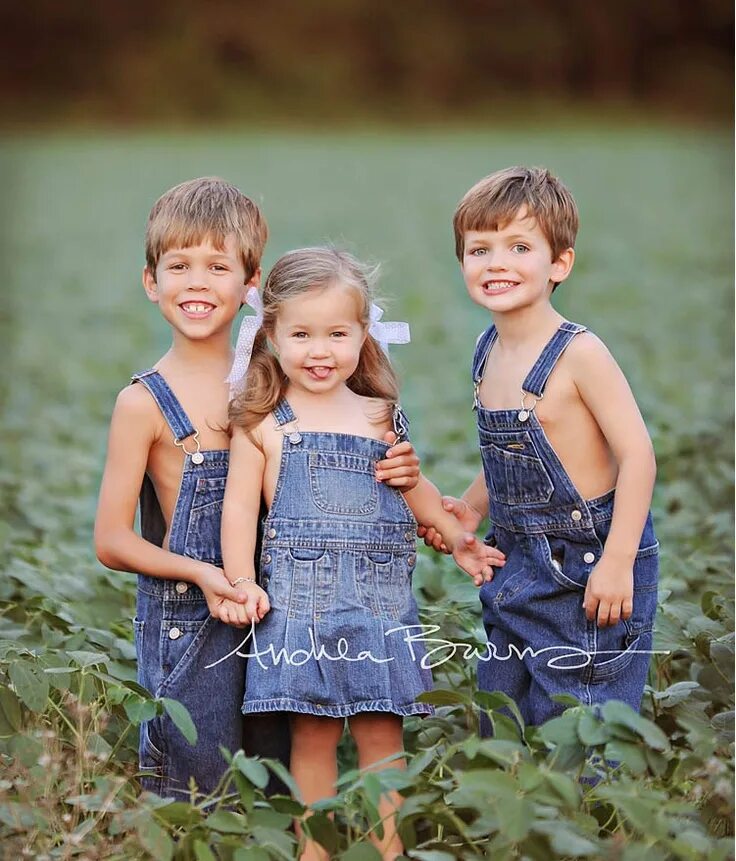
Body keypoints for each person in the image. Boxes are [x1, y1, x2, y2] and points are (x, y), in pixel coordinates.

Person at [94, 178, 421, 800]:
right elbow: (111, 540)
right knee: (199, 789)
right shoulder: (143, 403)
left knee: (276, 778)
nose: (196, 283)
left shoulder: (290, 380)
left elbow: (352, 458)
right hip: (195, 621)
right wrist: (205, 575)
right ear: (150, 281)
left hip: (285, 612)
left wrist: (403, 476)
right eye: (179, 266)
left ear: (251, 285)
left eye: (217, 266)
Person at [220, 247, 506, 861]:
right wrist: (241, 581)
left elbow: (415, 493)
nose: (319, 351)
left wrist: (458, 539)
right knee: (314, 735)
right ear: (270, 333)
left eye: (336, 334)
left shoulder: (380, 415)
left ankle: (389, 848)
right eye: (300, 334)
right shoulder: (265, 423)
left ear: (362, 335)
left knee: (383, 733)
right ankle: (314, 851)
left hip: (380, 605)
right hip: (300, 607)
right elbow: (241, 510)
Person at [423, 166, 659, 731]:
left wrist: (618, 561)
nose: (496, 263)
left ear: (560, 264)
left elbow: (639, 457)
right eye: (479, 249)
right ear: (462, 264)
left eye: (519, 247)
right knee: (502, 712)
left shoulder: (579, 354)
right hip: (519, 561)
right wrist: (471, 510)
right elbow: (506, 455)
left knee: (580, 722)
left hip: (588, 563)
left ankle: (594, 815)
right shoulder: (487, 349)